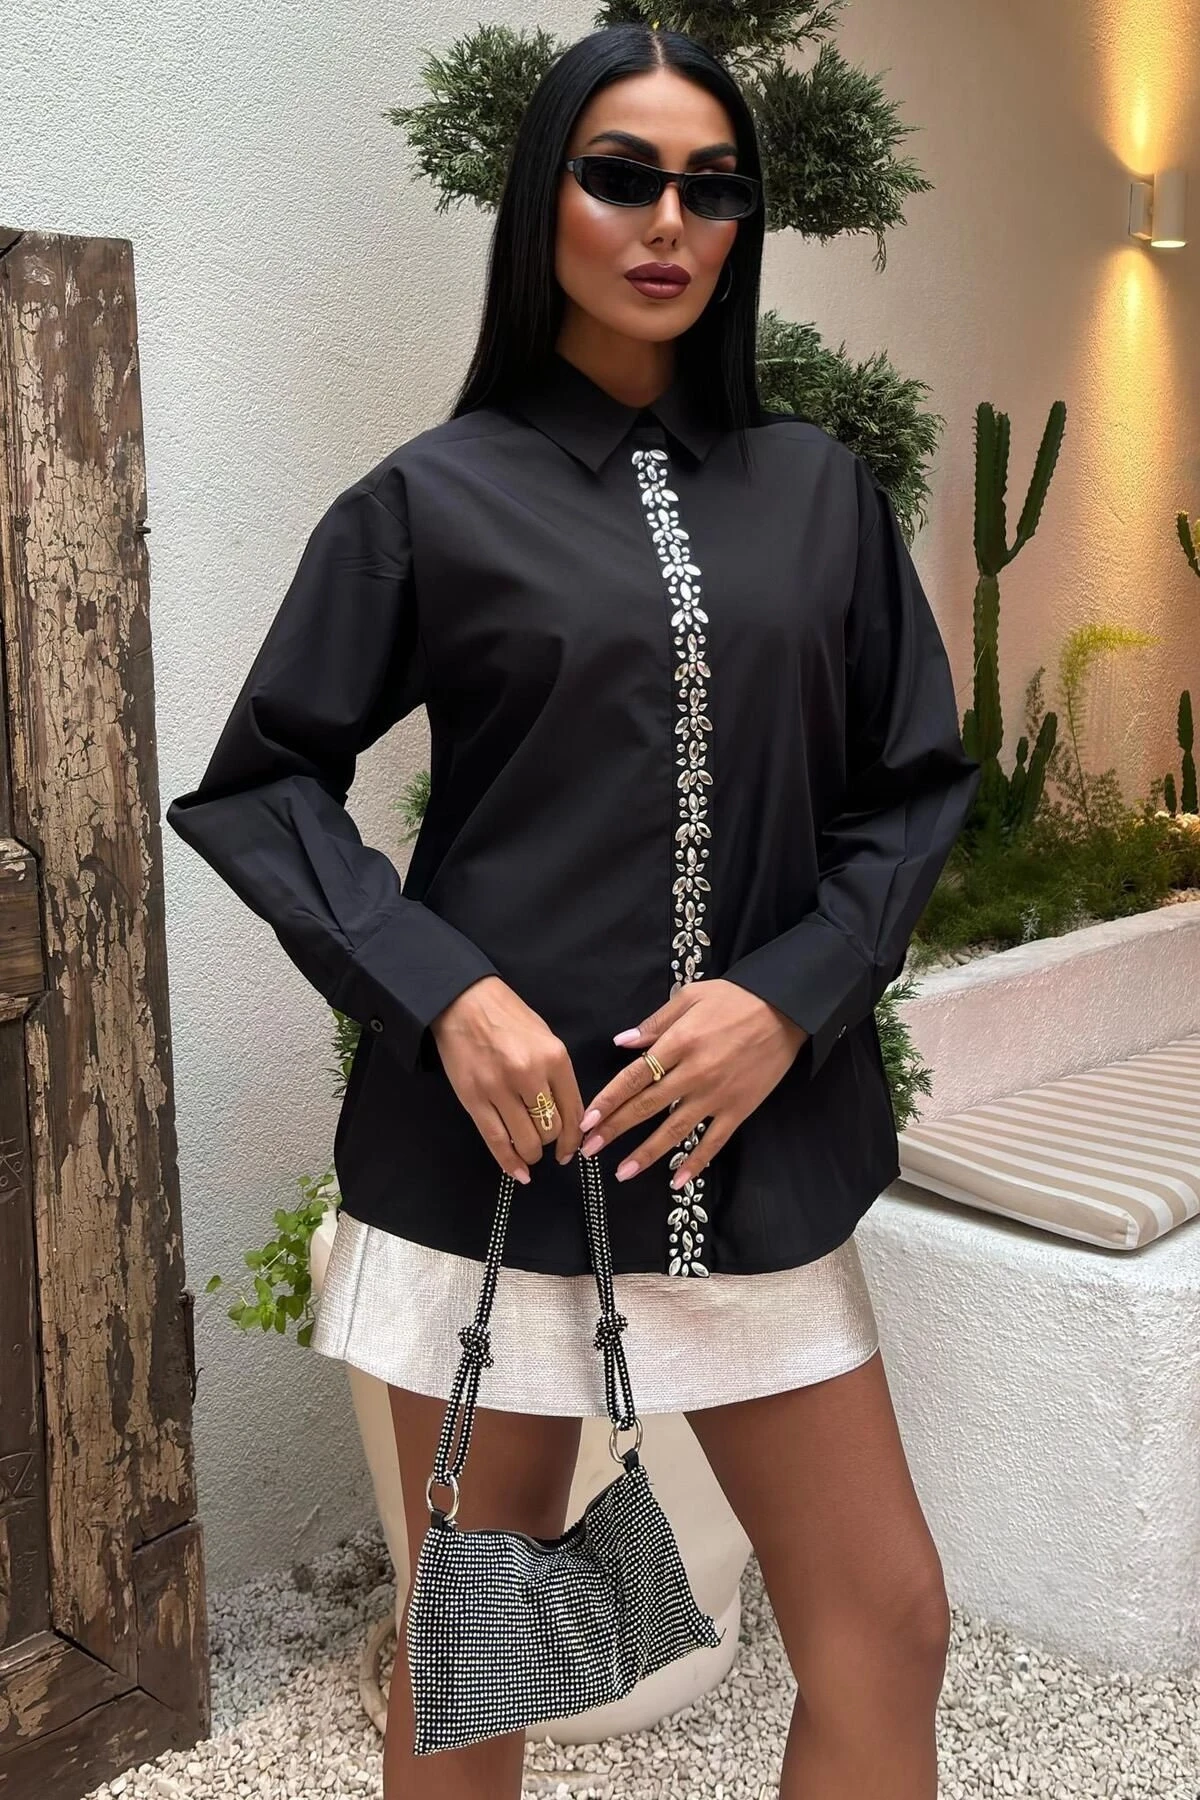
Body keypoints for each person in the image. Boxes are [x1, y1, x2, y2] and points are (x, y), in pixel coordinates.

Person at [167, 20, 982, 1800]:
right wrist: (441, 993)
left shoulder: (822, 495)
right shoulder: (432, 497)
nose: (668, 221)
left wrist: (791, 995)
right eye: (622, 176)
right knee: (483, 1659)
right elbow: (260, 782)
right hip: (498, 1154)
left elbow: (915, 789)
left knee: (888, 1617)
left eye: (712, 187)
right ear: (547, 196)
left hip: (752, 1154)